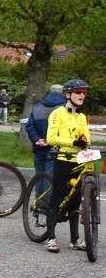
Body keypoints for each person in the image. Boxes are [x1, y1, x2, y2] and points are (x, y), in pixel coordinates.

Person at [43, 79, 91, 254]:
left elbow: (86, 137)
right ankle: (51, 238)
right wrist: (73, 141)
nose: (81, 95)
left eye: (84, 93)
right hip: (63, 158)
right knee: (57, 197)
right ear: (67, 94)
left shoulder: (81, 117)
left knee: (75, 199)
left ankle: (75, 239)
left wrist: (85, 142)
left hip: (77, 161)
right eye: (78, 92)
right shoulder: (58, 113)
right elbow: (51, 138)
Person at [26, 84, 66, 198]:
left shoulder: (37, 107)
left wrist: (37, 139)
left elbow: (30, 126)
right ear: (63, 93)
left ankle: (38, 202)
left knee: (40, 176)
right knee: (50, 176)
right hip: (55, 148)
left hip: (39, 147)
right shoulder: (64, 108)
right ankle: (47, 204)